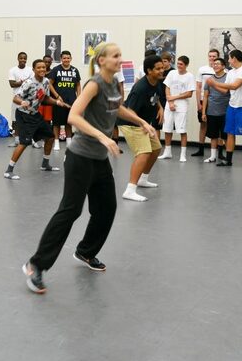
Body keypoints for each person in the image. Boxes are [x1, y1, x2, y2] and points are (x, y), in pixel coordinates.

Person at [22, 42, 155, 294]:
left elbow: (117, 108)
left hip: (98, 159)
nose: (119, 59)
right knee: (70, 210)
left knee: (107, 208)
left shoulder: (115, 83)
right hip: (80, 156)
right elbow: (73, 116)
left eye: (120, 55)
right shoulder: (94, 84)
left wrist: (140, 121)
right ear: (102, 60)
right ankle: (35, 264)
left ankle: (85, 251)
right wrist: (103, 137)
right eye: (115, 56)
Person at [4, 59, 68, 179]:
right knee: (24, 143)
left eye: (43, 67)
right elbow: (15, 98)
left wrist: (57, 102)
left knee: (50, 137)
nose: (42, 69)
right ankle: (9, 170)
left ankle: (45, 164)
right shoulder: (28, 82)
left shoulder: (46, 82)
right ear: (33, 70)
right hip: (24, 115)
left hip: (35, 115)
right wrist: (22, 101)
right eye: (39, 67)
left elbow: (44, 99)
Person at [117, 54, 165, 201]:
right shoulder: (140, 88)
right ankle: (130, 190)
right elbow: (129, 111)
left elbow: (155, 97)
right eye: (158, 69)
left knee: (156, 149)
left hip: (142, 123)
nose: (162, 70)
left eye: (162, 67)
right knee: (143, 153)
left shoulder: (156, 81)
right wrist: (143, 124)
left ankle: (143, 179)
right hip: (130, 123)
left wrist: (160, 108)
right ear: (149, 70)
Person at [206, 49, 242, 170]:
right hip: (232, 106)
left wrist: (213, 83)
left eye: (229, 58)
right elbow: (225, 90)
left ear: (234, 58)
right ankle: (228, 160)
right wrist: (214, 85)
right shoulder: (231, 72)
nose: (228, 61)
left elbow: (234, 86)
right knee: (229, 133)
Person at [161, 56, 194, 162]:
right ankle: (167, 152)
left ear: (186, 65)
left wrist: (174, 97)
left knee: (182, 130)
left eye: (181, 64)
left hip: (182, 106)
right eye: (178, 63)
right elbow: (167, 87)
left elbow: (189, 93)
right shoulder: (172, 73)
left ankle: (183, 154)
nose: (179, 66)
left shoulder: (190, 76)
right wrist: (170, 102)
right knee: (167, 128)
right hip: (169, 105)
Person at [47, 50, 82, 144]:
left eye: (68, 58)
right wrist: (57, 96)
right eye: (64, 58)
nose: (66, 60)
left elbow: (78, 85)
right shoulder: (56, 69)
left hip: (71, 100)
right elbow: (49, 84)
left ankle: (69, 142)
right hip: (59, 101)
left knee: (69, 122)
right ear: (61, 59)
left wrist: (79, 98)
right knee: (56, 123)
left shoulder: (75, 70)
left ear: (71, 59)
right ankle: (56, 142)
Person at [202, 57, 230, 163]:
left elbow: (225, 91)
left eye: (218, 64)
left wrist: (213, 84)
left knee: (225, 136)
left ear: (223, 66)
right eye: (214, 64)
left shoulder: (228, 77)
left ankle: (228, 157)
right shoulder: (209, 79)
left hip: (225, 111)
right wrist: (204, 112)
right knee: (213, 135)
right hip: (211, 111)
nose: (215, 65)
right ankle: (213, 156)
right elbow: (205, 96)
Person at [192, 49, 220, 158]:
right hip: (203, 100)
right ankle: (201, 149)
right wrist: (198, 102)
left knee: (218, 126)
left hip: (216, 102)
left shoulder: (223, 70)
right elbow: (198, 87)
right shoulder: (202, 69)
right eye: (210, 56)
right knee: (203, 124)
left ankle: (219, 152)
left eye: (214, 56)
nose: (212, 58)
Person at [8, 52, 33, 146]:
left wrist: (21, 82)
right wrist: (23, 82)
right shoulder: (12, 70)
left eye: (24, 58)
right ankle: (16, 140)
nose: (23, 60)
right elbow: (12, 84)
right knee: (15, 120)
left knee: (30, 120)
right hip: (16, 98)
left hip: (28, 98)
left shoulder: (30, 70)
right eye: (21, 58)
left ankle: (31, 139)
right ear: (18, 59)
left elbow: (32, 83)